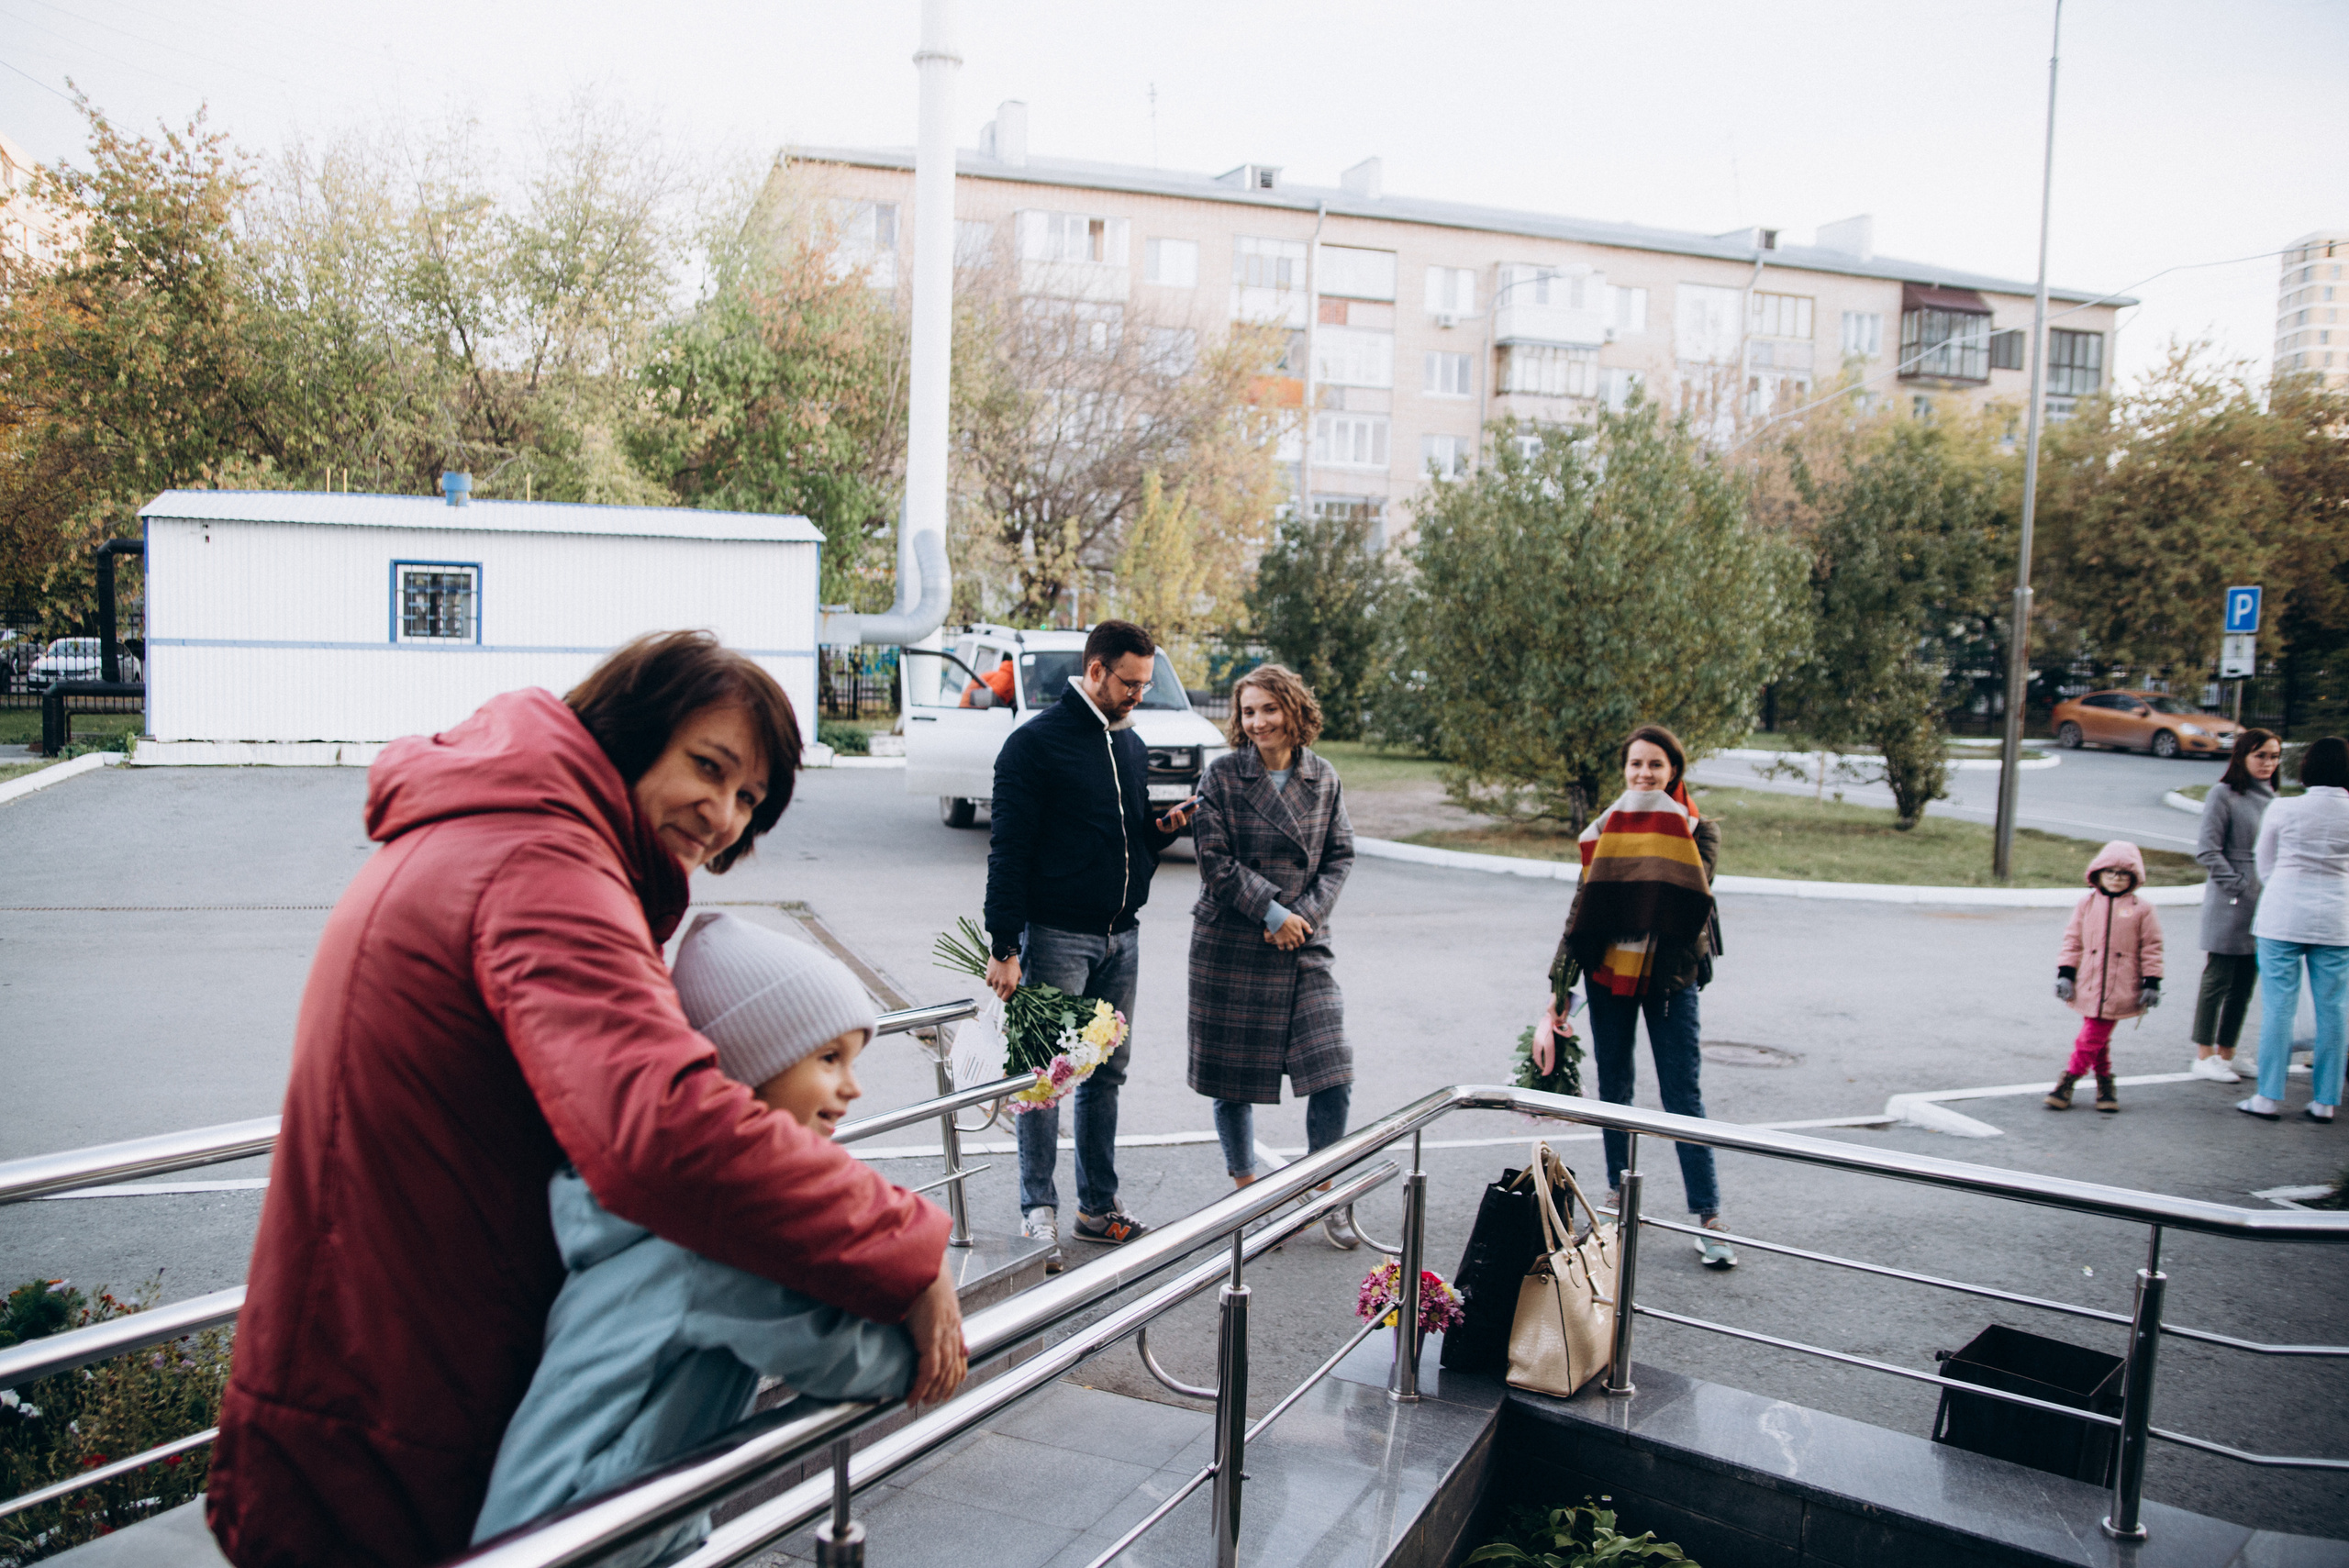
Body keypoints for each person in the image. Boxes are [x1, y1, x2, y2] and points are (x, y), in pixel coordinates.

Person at [208, 632, 957, 1568]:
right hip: (390, 1405)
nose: (723, 814)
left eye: (749, 797)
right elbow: (663, 1130)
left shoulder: (494, 831)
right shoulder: (542, 865)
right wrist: (907, 1246)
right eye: (708, 767)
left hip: (364, 1379)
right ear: (627, 732)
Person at [472, 913, 962, 1555]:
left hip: (576, 1526)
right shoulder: (707, 1246)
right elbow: (850, 1361)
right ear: (746, 1068)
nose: (853, 1085)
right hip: (581, 1538)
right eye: (827, 1057)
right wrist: (929, 1346)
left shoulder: (660, 1216)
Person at [983, 619, 1195, 1269]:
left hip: (1120, 937)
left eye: (1146, 684)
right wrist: (1004, 943)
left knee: (1107, 1076)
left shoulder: (1130, 747)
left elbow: (1130, 838)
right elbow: (1009, 851)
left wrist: (1163, 830)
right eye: (1129, 682)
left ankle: (1097, 1209)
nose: (1139, 694)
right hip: (1053, 937)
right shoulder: (1033, 747)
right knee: (1044, 1080)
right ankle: (1037, 1213)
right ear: (1095, 669)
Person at [1547, 725, 1736, 1270]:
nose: (1645, 774)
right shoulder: (1607, 827)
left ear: (1673, 770)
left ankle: (1709, 1213)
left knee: (1683, 1095)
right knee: (1615, 1091)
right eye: (1636, 765)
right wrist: (1561, 985)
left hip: (1670, 978)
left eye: (1656, 765)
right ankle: (1614, 1197)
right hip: (1609, 975)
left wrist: (1632, 869)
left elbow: (1680, 905)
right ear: (1625, 770)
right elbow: (1586, 904)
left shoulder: (1699, 829)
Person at [1186, 663, 1360, 1248]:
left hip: (1304, 945)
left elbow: (1340, 856)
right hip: (1234, 943)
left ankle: (1324, 1187)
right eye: (1248, 711)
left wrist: (1302, 917)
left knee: (1332, 1072)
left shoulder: (1324, 777)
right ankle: (1247, 1193)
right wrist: (1271, 912)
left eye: (1267, 709)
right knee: (1232, 1082)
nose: (1256, 722)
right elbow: (1213, 861)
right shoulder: (1222, 776)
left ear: (1293, 710)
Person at [2240, 734, 2349, 1124]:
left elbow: (2264, 861)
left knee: (2279, 1008)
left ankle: (2268, 1096)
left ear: (2306, 769)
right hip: (2337, 919)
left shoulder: (2283, 808)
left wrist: (2284, 887)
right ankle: (2325, 1100)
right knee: (2335, 1010)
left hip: (2283, 913)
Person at [2048, 841, 2165, 1113]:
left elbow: (2152, 947)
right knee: (2097, 1038)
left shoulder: (2142, 909)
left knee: (2092, 1035)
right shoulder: (2086, 904)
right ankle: (2105, 1085)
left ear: (2134, 877)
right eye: (2110, 871)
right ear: (2098, 873)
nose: (2116, 878)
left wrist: (2152, 981)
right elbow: (2072, 940)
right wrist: (2065, 973)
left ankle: (2069, 1080)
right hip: (2088, 982)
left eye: (2123, 873)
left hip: (2121, 985)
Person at [2191, 728, 2280, 1082]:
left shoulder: (2274, 798)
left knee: (2245, 980)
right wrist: (2240, 884)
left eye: (2274, 756)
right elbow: (2207, 850)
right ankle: (2203, 1053)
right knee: (2219, 977)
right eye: (2261, 755)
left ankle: (2227, 1052)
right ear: (2242, 756)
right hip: (2232, 898)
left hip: (2266, 897)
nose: (2268, 763)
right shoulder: (2223, 794)